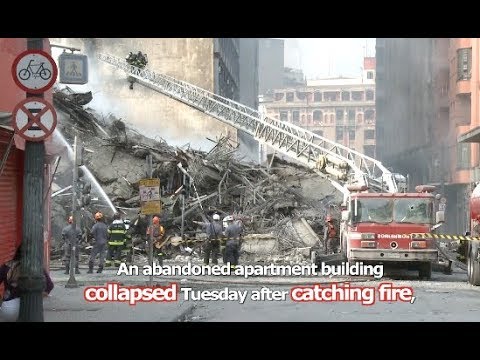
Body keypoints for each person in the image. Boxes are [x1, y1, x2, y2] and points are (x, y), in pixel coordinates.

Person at [0, 247, 54, 322]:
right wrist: (40, 296)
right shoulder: (36, 267)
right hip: (31, 308)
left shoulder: (7, 266)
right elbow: (50, 285)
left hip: (9, 308)